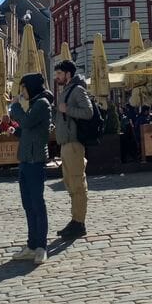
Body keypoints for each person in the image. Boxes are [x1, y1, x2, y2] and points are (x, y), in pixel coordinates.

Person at [10, 72, 53, 265]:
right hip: (26, 159)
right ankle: (31, 244)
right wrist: (17, 132)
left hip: (36, 160)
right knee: (28, 204)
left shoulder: (42, 104)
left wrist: (15, 106)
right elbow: (28, 129)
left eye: (23, 88)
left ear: (31, 88)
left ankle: (41, 247)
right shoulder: (35, 104)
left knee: (37, 204)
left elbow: (27, 122)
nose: (22, 92)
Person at [53, 59, 94, 241]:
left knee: (77, 183)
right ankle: (75, 219)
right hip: (66, 144)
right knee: (70, 183)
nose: (57, 77)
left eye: (60, 74)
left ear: (68, 74)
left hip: (74, 144)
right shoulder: (67, 90)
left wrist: (67, 109)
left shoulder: (77, 90)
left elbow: (88, 112)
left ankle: (79, 223)